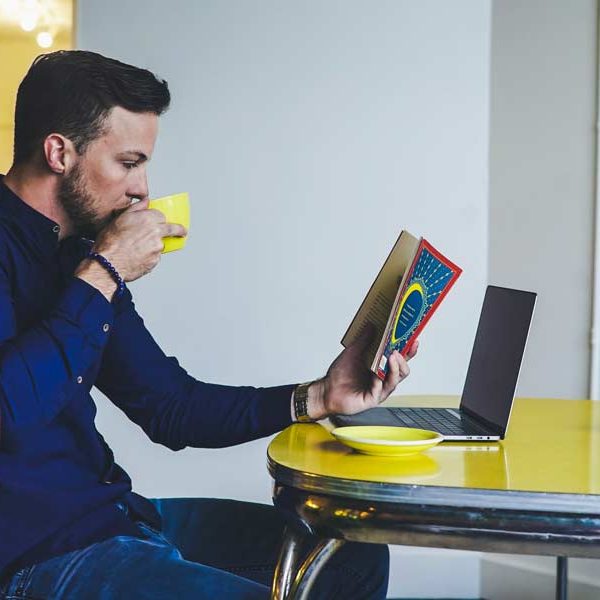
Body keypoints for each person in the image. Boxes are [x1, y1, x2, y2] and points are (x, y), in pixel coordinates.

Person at [0, 51, 417, 599]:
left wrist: (318, 396)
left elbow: (171, 408)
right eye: (129, 162)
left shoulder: (82, 256)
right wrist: (106, 272)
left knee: (350, 557)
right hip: (35, 556)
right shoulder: (94, 265)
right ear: (59, 152)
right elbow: (9, 410)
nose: (142, 190)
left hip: (114, 518)